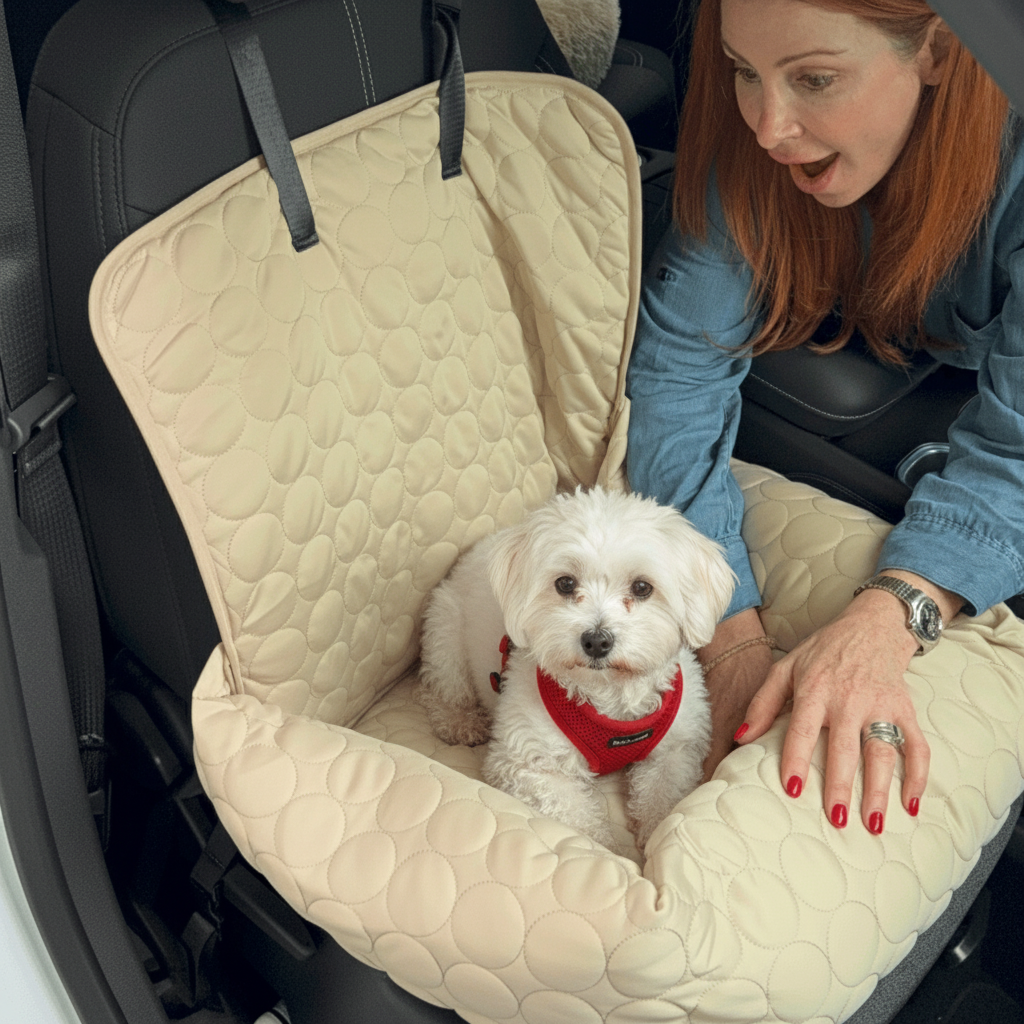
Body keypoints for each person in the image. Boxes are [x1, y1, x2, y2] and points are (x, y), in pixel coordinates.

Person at [626, 0, 1023, 834]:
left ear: (940, 51)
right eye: (742, 71)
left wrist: (888, 617)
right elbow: (679, 370)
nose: (769, 126)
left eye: (814, 79)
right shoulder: (752, 146)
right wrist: (729, 638)